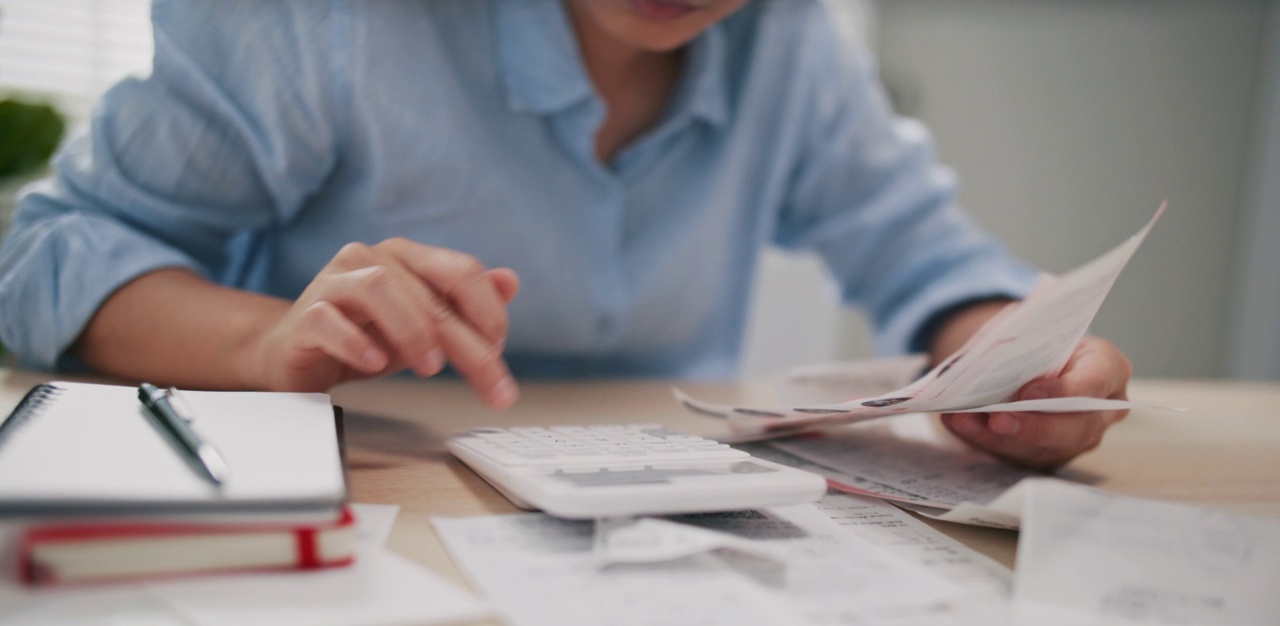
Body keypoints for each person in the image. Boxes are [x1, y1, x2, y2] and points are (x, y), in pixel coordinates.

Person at [0, 0, 1131, 470]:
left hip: (656, 554)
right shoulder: (318, 21)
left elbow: (930, 264)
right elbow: (45, 253)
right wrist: (261, 344)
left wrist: (1023, 361)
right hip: (355, 530)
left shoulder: (786, 43)